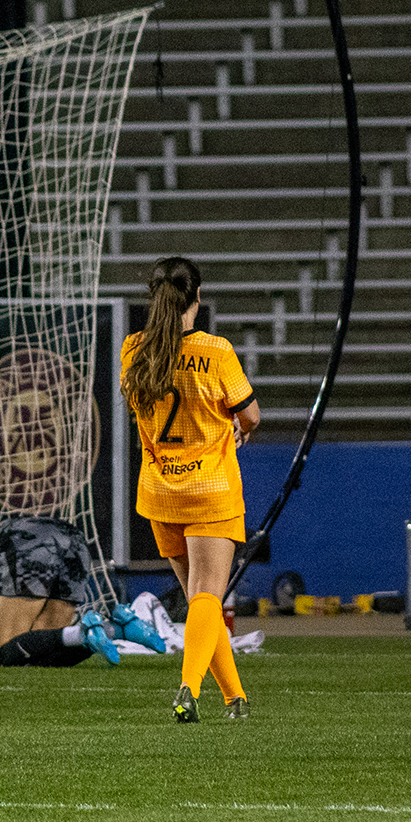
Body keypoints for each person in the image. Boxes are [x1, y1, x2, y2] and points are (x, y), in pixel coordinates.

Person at [119, 256, 261, 722]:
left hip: (161, 491)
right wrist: (239, 427)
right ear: (196, 299)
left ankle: (234, 698)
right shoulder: (216, 351)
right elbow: (251, 415)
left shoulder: (132, 351)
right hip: (211, 489)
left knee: (203, 601)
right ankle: (187, 687)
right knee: (207, 596)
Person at [0, 515, 165, 667]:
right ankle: (118, 628)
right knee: (43, 650)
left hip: (25, 551)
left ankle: (88, 629)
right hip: (72, 540)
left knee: (0, 658)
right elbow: (24, 640)